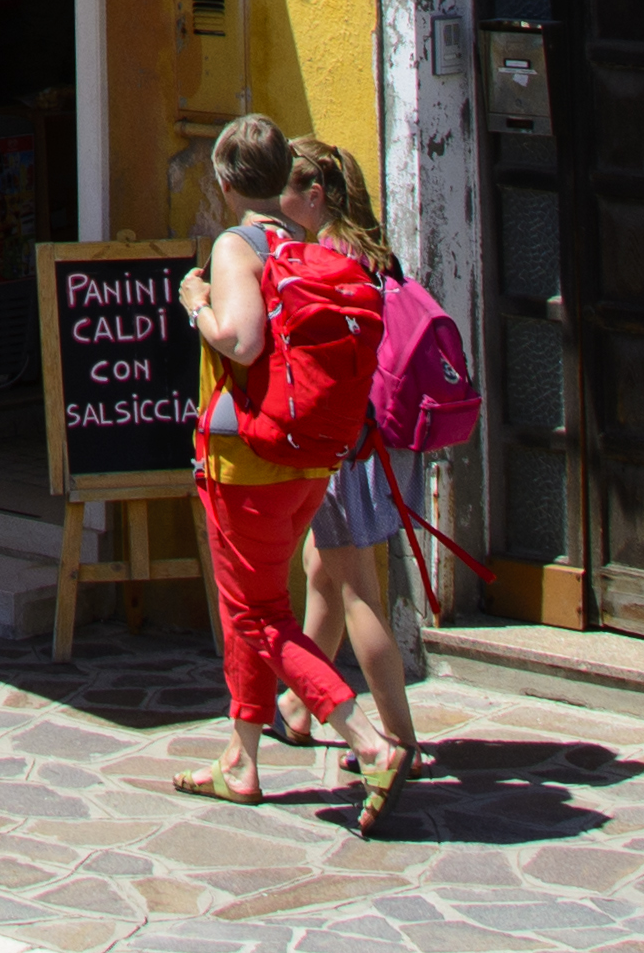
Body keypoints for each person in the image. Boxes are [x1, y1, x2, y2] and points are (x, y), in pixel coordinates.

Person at [178, 113, 402, 822]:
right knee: (250, 610)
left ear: (224, 181)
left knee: (257, 613)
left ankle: (367, 739)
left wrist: (197, 307)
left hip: (247, 459)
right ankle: (241, 760)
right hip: (308, 463)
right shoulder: (302, 243)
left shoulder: (237, 246)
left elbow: (241, 344)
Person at [287, 138, 428, 795]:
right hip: (380, 441)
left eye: (286, 191)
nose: (277, 203)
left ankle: (398, 739)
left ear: (314, 197)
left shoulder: (327, 261)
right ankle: (298, 704)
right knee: (322, 570)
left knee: (358, 588)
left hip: (348, 444)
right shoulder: (374, 253)